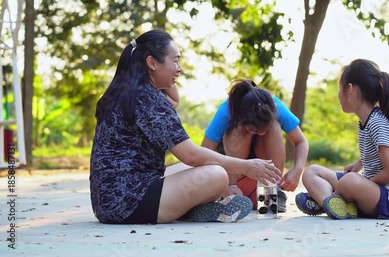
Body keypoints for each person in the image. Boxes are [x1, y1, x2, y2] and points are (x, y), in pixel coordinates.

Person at [89, 30, 281, 224]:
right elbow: (191, 155)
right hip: (129, 202)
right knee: (216, 174)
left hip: (110, 200)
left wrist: (155, 72)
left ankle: (195, 210)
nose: (180, 69)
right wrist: (247, 166)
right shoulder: (148, 99)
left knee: (208, 167)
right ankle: (192, 209)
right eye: (175, 61)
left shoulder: (130, 93)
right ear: (152, 63)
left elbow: (174, 100)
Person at [295, 59, 389, 219]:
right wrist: (359, 163)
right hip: (376, 192)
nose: (339, 94)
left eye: (340, 88)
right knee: (311, 172)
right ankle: (333, 204)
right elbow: (380, 152)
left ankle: (329, 201)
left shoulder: (378, 123)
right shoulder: (366, 120)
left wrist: (364, 183)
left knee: (350, 181)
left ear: (350, 89)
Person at [201, 79, 309, 212]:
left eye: (264, 130)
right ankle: (232, 189)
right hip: (233, 169)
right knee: (237, 130)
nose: (261, 133)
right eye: (254, 130)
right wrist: (225, 186)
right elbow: (204, 152)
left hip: (261, 170)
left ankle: (271, 191)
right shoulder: (227, 110)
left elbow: (301, 141)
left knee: (274, 126)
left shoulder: (275, 106)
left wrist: (297, 170)